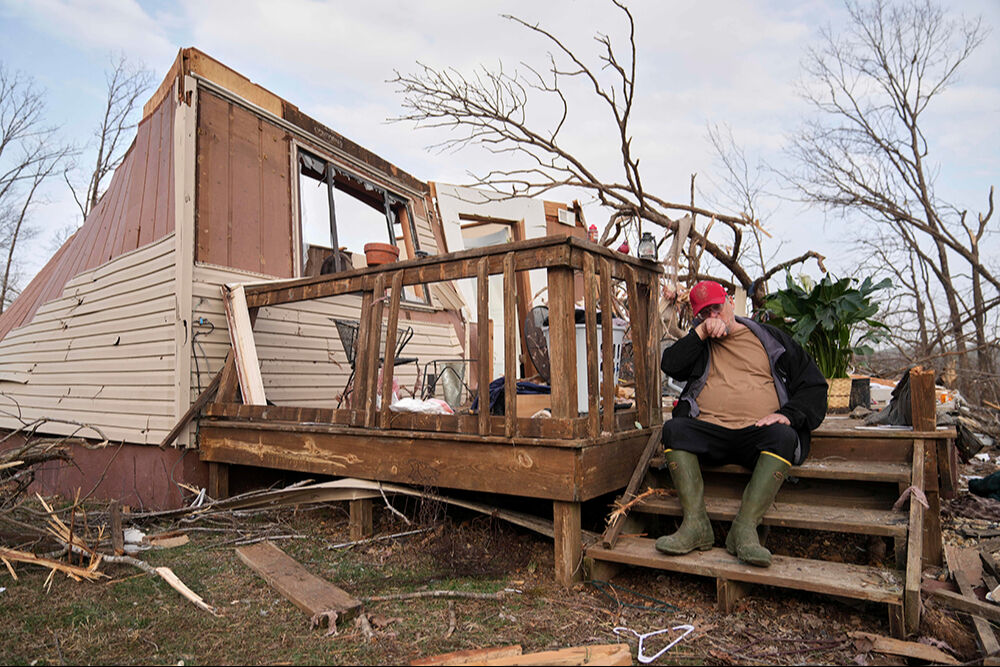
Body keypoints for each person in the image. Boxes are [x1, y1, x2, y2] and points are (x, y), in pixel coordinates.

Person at [656, 280, 827, 567]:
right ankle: (696, 525)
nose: (713, 317)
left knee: (784, 437)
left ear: (731, 303)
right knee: (673, 430)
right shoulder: (700, 343)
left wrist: (788, 414)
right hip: (710, 431)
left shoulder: (772, 340)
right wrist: (699, 333)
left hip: (757, 433)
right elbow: (670, 364)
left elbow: (814, 386)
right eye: (704, 314)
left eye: (717, 309)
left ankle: (745, 529)